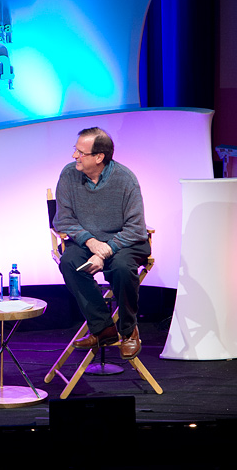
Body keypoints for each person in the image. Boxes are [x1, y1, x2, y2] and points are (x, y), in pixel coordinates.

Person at [53, 127, 151, 360]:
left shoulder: (126, 180)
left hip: (125, 242)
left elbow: (136, 229)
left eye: (80, 152)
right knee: (68, 261)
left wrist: (105, 251)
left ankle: (129, 331)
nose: (74, 156)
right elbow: (63, 220)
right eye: (75, 150)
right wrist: (91, 241)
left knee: (121, 267)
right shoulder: (68, 175)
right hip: (88, 242)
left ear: (99, 157)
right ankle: (103, 328)